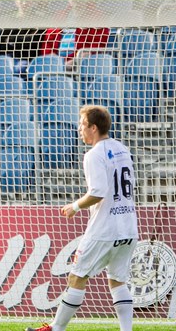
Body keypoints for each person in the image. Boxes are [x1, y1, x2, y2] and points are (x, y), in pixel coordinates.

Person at [25, 105, 138, 331]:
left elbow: (98, 191)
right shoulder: (122, 149)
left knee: (77, 277)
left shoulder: (93, 155)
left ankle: (57, 328)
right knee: (117, 280)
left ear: (93, 128)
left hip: (104, 229)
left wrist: (75, 206)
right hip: (128, 227)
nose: (79, 130)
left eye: (82, 125)